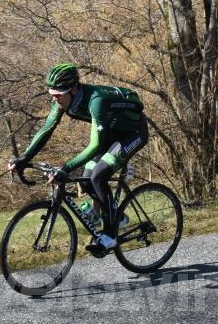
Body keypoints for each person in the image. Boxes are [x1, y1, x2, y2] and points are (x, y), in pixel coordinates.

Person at [8, 62, 148, 253]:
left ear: (73, 89)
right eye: (52, 95)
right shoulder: (63, 100)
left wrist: (65, 167)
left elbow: (95, 145)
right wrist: (24, 157)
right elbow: (46, 129)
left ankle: (110, 235)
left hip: (132, 133)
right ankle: (116, 217)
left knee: (97, 176)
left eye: (59, 95)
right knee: (88, 178)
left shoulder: (96, 101)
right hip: (111, 134)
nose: (56, 100)